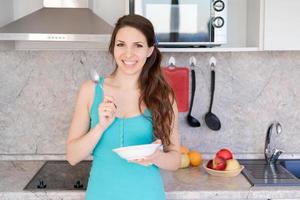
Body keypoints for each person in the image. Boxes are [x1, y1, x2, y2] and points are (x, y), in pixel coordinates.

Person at [66, 14, 181, 200]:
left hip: (148, 195)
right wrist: (100, 127)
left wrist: (155, 157)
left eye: (138, 45)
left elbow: (175, 159)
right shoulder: (91, 90)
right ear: (113, 48)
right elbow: (72, 156)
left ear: (150, 50)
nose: (128, 54)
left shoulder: (163, 96)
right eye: (121, 44)